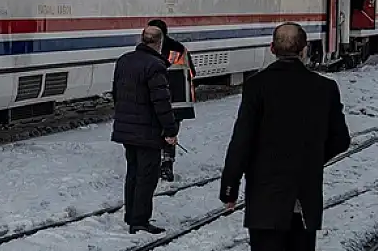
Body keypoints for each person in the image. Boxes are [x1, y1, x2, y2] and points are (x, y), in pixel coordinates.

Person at [219, 23, 351, 251]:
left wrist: (229, 189)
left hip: (264, 199)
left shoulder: (256, 86)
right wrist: (312, 157)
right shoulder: (325, 87)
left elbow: (242, 141)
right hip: (304, 199)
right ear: (304, 49)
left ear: (272, 48)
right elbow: (341, 140)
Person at [111, 25, 178, 235]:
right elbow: (161, 102)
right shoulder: (155, 66)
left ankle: (130, 214)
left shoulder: (123, 60)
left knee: (133, 172)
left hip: (126, 127)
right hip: (147, 131)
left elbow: (116, 92)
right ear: (159, 43)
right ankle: (139, 220)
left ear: (142, 39)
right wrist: (170, 129)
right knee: (147, 177)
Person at [147, 19, 194, 182]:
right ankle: (167, 165)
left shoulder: (148, 50)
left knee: (155, 132)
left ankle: (155, 165)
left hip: (157, 100)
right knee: (170, 133)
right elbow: (192, 72)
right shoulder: (179, 49)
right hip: (177, 101)